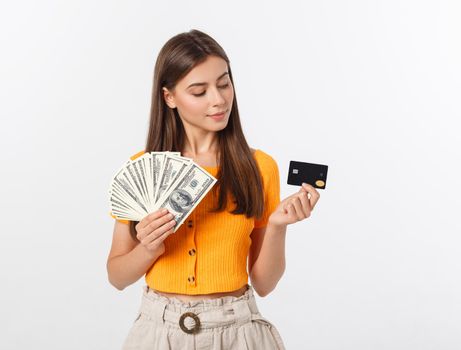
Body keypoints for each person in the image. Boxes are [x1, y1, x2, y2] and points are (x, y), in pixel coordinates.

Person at [107, 29, 320, 350]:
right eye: (199, 91)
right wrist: (148, 248)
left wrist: (277, 227)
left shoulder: (260, 167)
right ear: (169, 97)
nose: (218, 100)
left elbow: (264, 283)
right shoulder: (143, 168)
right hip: (158, 333)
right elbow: (117, 276)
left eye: (223, 83)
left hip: (238, 332)